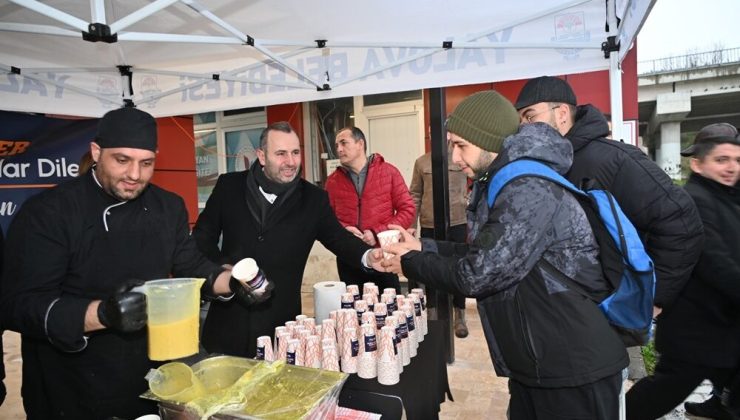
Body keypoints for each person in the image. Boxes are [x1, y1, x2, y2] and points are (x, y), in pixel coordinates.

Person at [383, 91, 628, 419]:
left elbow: (478, 273)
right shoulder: (503, 180)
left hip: (573, 367)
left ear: (489, 141)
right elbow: (486, 251)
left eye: (461, 145)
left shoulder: (527, 186)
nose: (454, 158)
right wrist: (422, 247)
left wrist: (409, 262)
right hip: (541, 361)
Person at [0, 107, 242, 420]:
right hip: (71, 387)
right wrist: (102, 313)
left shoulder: (167, 207)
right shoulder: (48, 212)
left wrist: (232, 281)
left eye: (146, 163)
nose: (134, 175)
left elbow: (190, 265)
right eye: (122, 160)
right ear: (96, 152)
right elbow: (19, 305)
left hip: (148, 378)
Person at [515, 76, 704, 380]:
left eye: (530, 116)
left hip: (606, 323)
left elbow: (681, 222)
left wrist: (653, 298)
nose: (524, 128)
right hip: (568, 324)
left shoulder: (612, 159)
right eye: (521, 120)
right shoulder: (551, 165)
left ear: (561, 113)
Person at [193, 121, 385, 358]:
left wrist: (368, 255)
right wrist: (223, 272)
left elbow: (338, 238)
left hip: (282, 333)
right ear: (262, 156)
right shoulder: (228, 186)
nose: (291, 162)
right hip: (226, 327)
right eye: (281, 154)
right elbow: (202, 239)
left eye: (295, 153)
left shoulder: (314, 200)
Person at [626, 123, 740, 420]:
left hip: (721, 323)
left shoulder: (726, 195)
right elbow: (716, 262)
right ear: (697, 164)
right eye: (721, 160)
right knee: (663, 390)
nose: (731, 167)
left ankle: (718, 404)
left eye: (736, 160)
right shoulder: (695, 201)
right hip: (696, 326)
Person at [325, 126, 415, 292]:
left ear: (360, 144)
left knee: (389, 310)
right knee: (355, 310)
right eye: (337, 145)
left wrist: (376, 233)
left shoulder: (389, 173)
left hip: (383, 254)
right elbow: (326, 219)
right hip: (349, 257)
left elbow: (407, 209)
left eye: (344, 143)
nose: (338, 149)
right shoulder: (332, 182)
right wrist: (344, 230)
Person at [409, 151, 470, 338]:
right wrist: (412, 226)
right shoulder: (421, 162)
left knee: (460, 267)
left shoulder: (461, 158)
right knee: (429, 268)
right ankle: (432, 311)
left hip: (458, 222)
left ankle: (459, 313)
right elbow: (415, 194)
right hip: (430, 224)